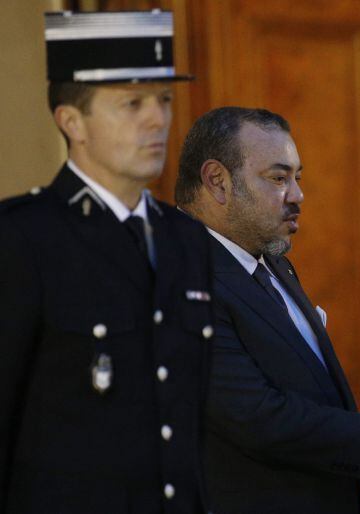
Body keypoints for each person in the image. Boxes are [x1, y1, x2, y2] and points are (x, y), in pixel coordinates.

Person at [174, 106, 360, 514]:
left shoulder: (271, 261)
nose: (297, 195)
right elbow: (256, 417)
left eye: (297, 177)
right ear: (217, 182)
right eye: (278, 178)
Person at [0, 11, 213, 513]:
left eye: (163, 100)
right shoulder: (23, 237)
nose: (158, 119)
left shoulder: (185, 237)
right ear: (71, 122)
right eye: (132, 103)